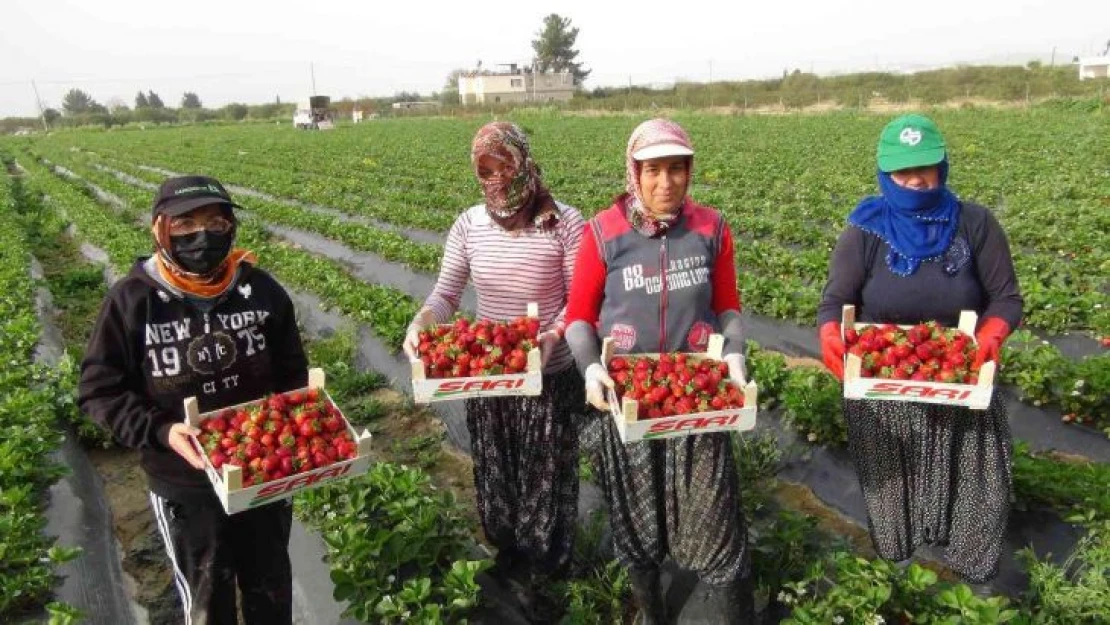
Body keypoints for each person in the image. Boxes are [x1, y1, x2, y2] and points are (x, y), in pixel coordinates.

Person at [78, 176, 308, 625]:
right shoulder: (133, 301)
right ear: (160, 230)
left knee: (271, 587)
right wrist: (161, 429)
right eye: (186, 224)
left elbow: (291, 371)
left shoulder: (260, 290)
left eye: (215, 221)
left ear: (231, 226)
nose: (202, 235)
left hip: (262, 474)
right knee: (207, 599)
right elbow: (98, 390)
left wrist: (292, 428)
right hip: (186, 483)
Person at [817, 113, 1023, 583]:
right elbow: (835, 300)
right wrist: (831, 333)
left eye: (925, 169)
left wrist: (989, 335)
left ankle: (969, 582)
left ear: (943, 167)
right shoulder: (865, 229)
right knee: (895, 493)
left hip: (962, 382)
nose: (915, 180)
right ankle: (900, 577)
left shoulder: (975, 224)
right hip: (885, 390)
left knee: (977, 490)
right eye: (902, 171)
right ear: (884, 173)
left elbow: (1007, 297)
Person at [565, 118, 754, 624]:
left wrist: (733, 350)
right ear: (634, 171)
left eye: (676, 169)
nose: (664, 182)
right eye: (653, 170)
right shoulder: (604, 233)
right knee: (636, 519)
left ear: (689, 172)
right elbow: (578, 317)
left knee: (715, 514)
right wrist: (589, 369)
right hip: (628, 395)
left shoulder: (710, 228)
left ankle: (737, 611)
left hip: (697, 394)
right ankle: (650, 611)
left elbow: (729, 306)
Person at [402, 121, 585, 617]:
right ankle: (509, 553)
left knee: (545, 476)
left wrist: (551, 336)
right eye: (486, 169)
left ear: (524, 161)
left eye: (506, 165)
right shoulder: (468, 225)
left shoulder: (564, 222)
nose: (498, 179)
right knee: (497, 469)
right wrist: (422, 322)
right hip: (488, 372)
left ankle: (548, 570)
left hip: (547, 372)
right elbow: (445, 294)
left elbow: (580, 304)